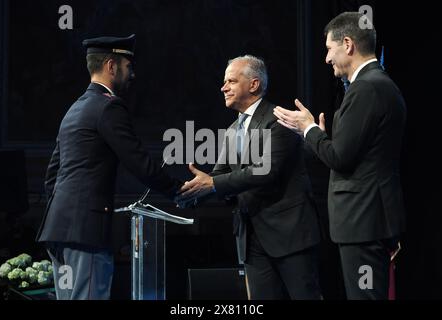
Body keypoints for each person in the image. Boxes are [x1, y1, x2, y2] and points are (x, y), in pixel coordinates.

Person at [36, 34, 182, 300]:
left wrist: (65, 215)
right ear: (111, 66)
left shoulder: (74, 108)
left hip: (60, 230)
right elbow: (138, 161)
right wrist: (179, 192)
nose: (132, 74)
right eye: (128, 66)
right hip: (85, 233)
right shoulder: (108, 107)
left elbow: (51, 176)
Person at [273, 12, 406, 299]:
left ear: (347, 44)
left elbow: (340, 158)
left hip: (363, 224)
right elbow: (356, 155)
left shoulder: (366, 88)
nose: (326, 59)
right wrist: (315, 137)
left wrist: (307, 128)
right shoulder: (379, 84)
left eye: (329, 49)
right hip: (371, 222)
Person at [177, 55, 321, 300]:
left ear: (253, 85)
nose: (223, 87)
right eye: (224, 82)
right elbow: (220, 174)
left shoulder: (278, 119)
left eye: (231, 81)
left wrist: (212, 183)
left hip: (289, 235)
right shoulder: (234, 129)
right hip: (251, 237)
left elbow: (265, 170)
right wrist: (193, 191)